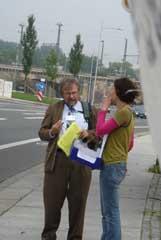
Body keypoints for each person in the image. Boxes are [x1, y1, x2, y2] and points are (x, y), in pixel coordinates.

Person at [39, 78, 97, 240]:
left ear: (79, 92)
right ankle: (48, 236)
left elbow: (99, 134)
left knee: (78, 205)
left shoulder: (88, 109)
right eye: (67, 93)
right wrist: (52, 131)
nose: (71, 96)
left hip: (81, 162)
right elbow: (42, 132)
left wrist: (89, 134)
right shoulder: (54, 108)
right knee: (52, 204)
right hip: (58, 161)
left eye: (74, 93)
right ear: (62, 94)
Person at [96, 77, 139, 240]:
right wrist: (120, 154)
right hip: (116, 164)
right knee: (108, 211)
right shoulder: (128, 112)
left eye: (112, 89)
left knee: (110, 212)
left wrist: (103, 109)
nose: (109, 92)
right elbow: (130, 144)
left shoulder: (123, 113)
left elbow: (100, 130)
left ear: (118, 92)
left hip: (112, 166)